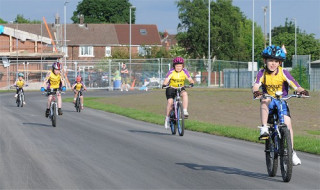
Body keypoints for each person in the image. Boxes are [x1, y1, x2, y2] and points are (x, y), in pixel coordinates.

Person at [252, 45, 309, 166]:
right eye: (270, 60)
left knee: (288, 125)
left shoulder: (284, 73)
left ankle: (291, 152)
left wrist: (302, 91)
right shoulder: (262, 73)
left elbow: (296, 85)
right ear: (265, 61)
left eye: (276, 61)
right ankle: (264, 128)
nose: (273, 64)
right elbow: (256, 85)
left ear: (279, 63)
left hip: (281, 101)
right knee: (265, 100)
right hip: (268, 102)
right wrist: (256, 92)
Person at [162, 57, 194, 129]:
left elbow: (190, 79)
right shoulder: (171, 72)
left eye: (180, 66)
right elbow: (166, 80)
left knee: (185, 94)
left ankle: (185, 110)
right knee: (170, 103)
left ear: (183, 66)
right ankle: (167, 118)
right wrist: (164, 85)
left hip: (180, 87)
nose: (179, 67)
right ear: (174, 66)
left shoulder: (185, 72)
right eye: (177, 66)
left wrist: (191, 83)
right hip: (171, 88)